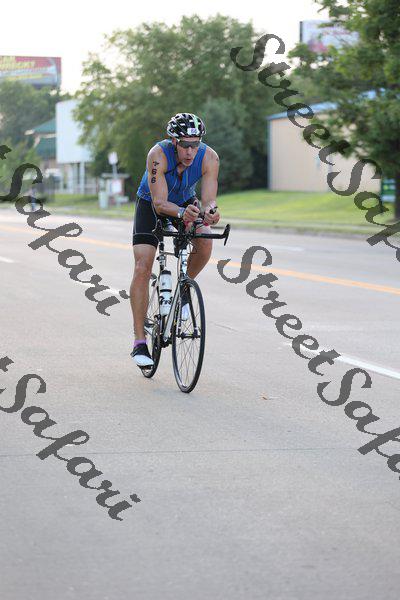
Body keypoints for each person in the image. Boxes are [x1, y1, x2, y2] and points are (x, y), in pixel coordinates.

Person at [130, 112, 221, 368]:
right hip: (151, 204)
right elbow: (160, 203)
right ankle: (139, 341)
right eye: (184, 145)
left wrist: (211, 211)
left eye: (195, 144)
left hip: (184, 201)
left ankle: (183, 289)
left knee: (205, 238)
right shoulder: (158, 155)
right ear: (173, 141)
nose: (190, 151)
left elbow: (209, 199)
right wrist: (181, 213)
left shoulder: (210, 157)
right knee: (142, 266)